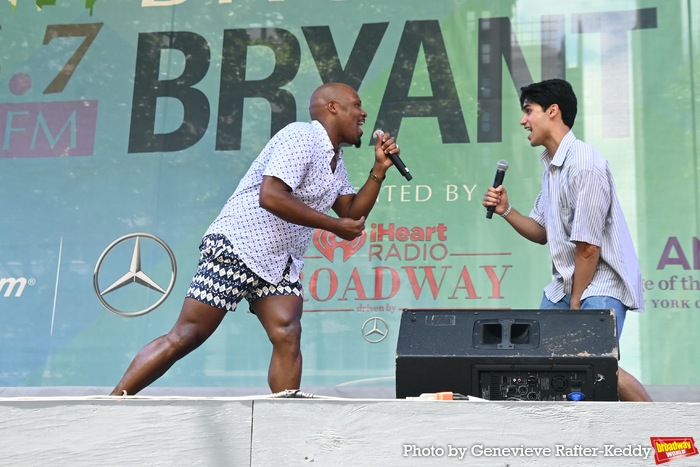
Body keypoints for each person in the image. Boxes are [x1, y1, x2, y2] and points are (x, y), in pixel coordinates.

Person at [111, 82, 399, 396]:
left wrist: (379, 169)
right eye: (356, 105)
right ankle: (111, 405)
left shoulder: (335, 161)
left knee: (288, 332)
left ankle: (282, 422)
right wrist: (333, 225)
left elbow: (352, 214)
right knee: (188, 334)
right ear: (333, 107)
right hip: (239, 245)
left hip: (278, 261)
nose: (363, 113)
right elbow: (272, 196)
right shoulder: (301, 136)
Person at [482, 78, 652, 402]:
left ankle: (663, 434)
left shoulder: (585, 165)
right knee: (538, 361)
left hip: (598, 285)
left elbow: (588, 248)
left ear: (553, 111)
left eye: (528, 111)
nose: (523, 121)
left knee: (595, 362)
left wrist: (575, 303)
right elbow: (541, 231)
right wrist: (506, 210)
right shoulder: (552, 168)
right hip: (568, 285)